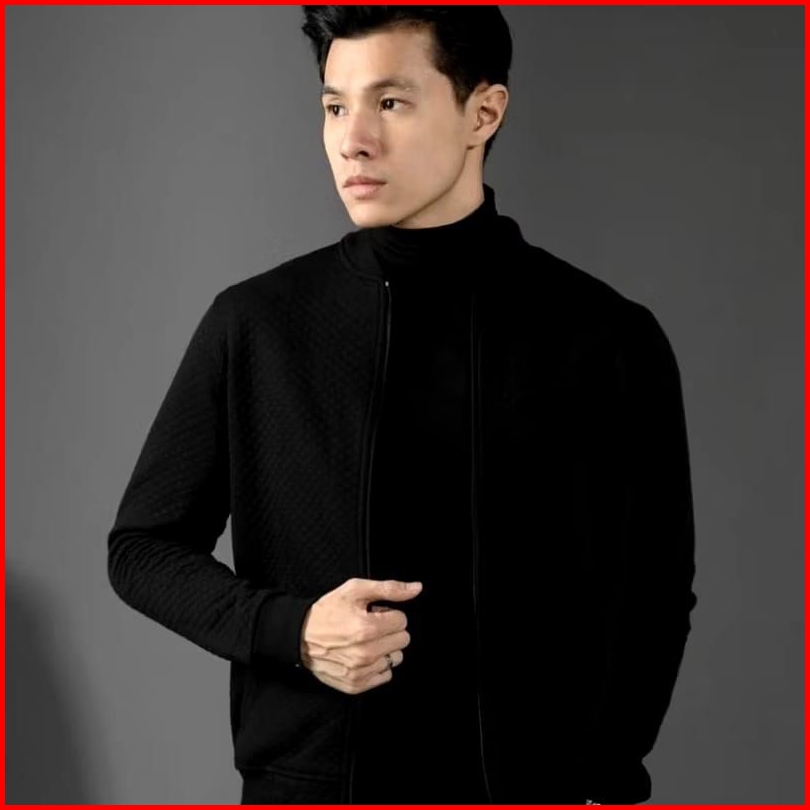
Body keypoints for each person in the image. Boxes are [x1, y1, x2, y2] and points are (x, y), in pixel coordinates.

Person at [107, 5, 698, 805]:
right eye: (334, 106)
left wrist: (604, 779)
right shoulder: (259, 325)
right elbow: (142, 548)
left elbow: (654, 591)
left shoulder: (607, 339)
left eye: (390, 102)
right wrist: (293, 631)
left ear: (482, 112)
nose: (353, 139)